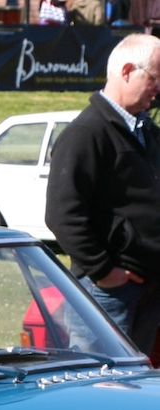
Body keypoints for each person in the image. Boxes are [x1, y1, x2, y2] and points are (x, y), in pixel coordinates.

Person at [45, 33, 160, 352]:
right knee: (101, 385)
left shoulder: (146, 132)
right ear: (126, 71)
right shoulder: (85, 134)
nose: (159, 88)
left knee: (137, 386)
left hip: (148, 285)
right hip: (107, 291)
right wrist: (103, 271)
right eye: (155, 78)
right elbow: (63, 215)